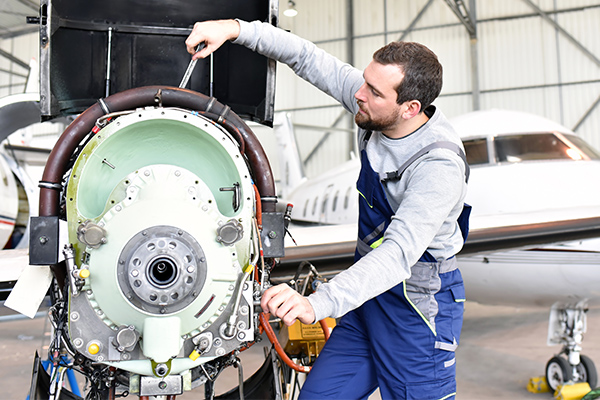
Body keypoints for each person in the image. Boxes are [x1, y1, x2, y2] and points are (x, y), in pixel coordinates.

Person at [186, 19, 470, 400]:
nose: (358, 93)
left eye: (373, 90)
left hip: (417, 308)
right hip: (367, 296)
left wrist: (316, 303)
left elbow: (399, 254)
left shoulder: (437, 166)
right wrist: (236, 30)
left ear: (410, 108)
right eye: (364, 81)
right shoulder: (373, 106)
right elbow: (304, 56)